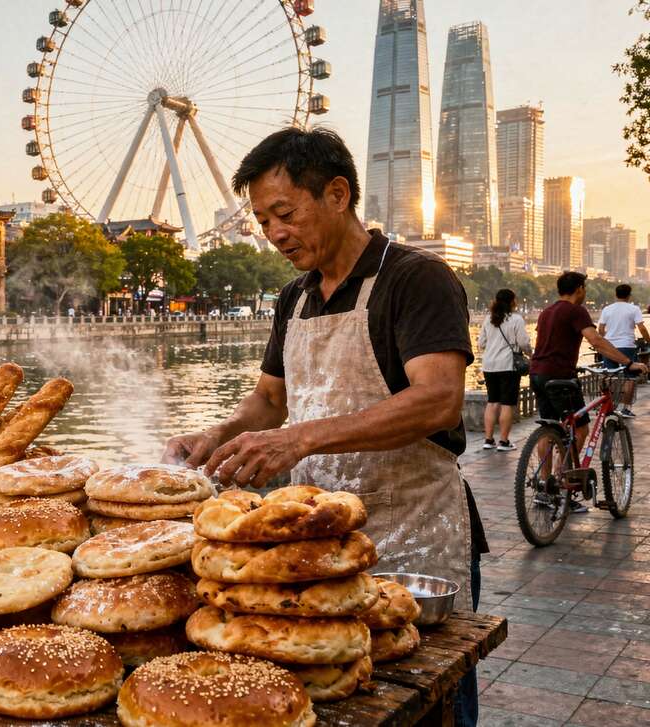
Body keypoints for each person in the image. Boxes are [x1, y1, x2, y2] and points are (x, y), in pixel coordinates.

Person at [160, 127, 486, 726]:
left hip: (412, 533)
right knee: (338, 697)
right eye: (263, 221)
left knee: (429, 701)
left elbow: (438, 400)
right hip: (314, 542)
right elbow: (269, 400)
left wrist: (301, 438)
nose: (275, 233)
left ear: (337, 194)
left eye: (285, 214)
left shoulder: (415, 278)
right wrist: (216, 435)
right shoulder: (295, 298)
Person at [530, 272, 647, 511]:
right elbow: (596, 340)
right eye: (584, 288)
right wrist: (628, 362)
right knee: (580, 428)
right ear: (579, 289)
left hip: (537, 374)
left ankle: (544, 488)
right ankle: (563, 483)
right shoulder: (576, 311)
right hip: (560, 377)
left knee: (549, 428)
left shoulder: (547, 312)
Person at [476, 289, 531, 451]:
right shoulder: (516, 319)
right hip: (508, 366)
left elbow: (481, 344)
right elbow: (523, 343)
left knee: (493, 401)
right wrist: (531, 354)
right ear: (512, 301)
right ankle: (504, 442)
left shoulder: (488, 319)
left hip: (489, 365)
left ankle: (488, 440)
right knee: (507, 403)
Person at [598, 284, 648, 416]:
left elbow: (600, 329)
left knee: (610, 375)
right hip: (627, 346)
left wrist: (608, 340)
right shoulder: (634, 309)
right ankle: (626, 409)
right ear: (629, 295)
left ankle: (611, 407)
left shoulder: (607, 309)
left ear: (615, 294)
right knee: (629, 377)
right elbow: (642, 328)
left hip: (610, 347)